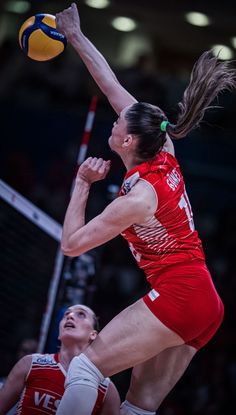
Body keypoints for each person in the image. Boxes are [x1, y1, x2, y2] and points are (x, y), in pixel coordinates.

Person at [55, 3, 235, 415]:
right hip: (205, 300)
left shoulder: (137, 200)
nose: (114, 122)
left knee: (86, 366)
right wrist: (76, 35)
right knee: (139, 406)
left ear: (128, 141)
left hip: (180, 292)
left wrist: (82, 184)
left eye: (119, 123)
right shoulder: (163, 147)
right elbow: (109, 81)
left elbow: (71, 245)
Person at [0, 304, 120, 415]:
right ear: (59, 333)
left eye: (81, 314)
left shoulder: (107, 390)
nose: (70, 316)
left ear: (93, 335)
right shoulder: (30, 363)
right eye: (66, 314)